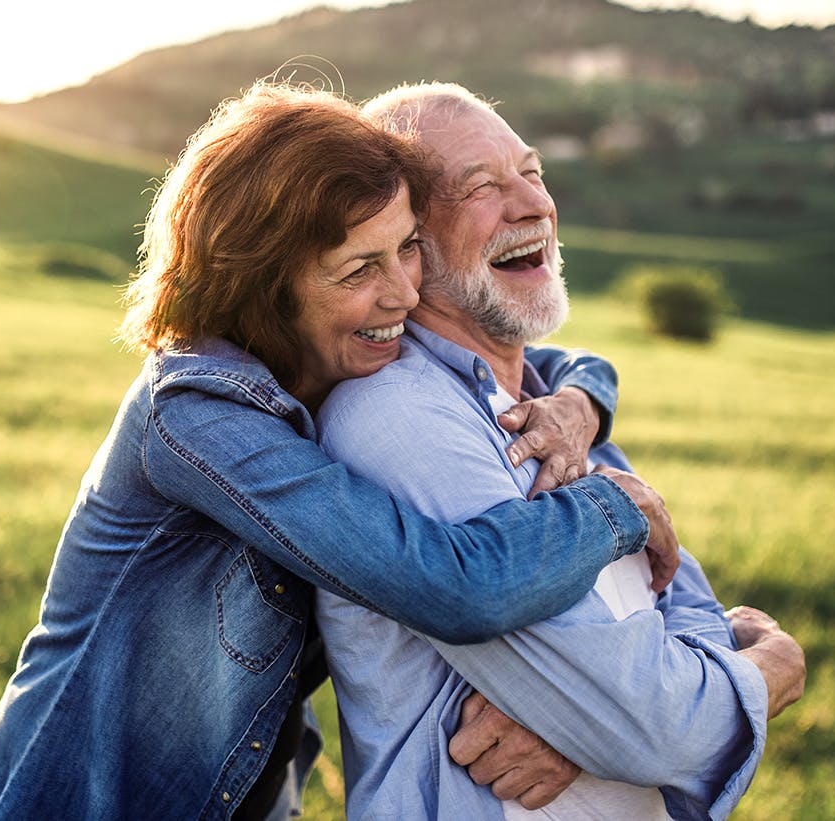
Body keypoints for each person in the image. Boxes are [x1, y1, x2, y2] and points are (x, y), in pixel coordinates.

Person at [0, 82, 681, 821]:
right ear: (266, 288)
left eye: (406, 248)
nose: (404, 292)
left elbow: (554, 362)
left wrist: (579, 403)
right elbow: (454, 586)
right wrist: (613, 505)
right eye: (360, 270)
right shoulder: (197, 415)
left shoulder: (332, 364)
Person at [315, 82, 806, 820]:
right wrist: (772, 665)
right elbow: (655, 725)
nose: (534, 205)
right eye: (482, 186)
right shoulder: (398, 418)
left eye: (533, 173)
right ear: (407, 243)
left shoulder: (555, 409)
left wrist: (591, 723)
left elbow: (685, 607)